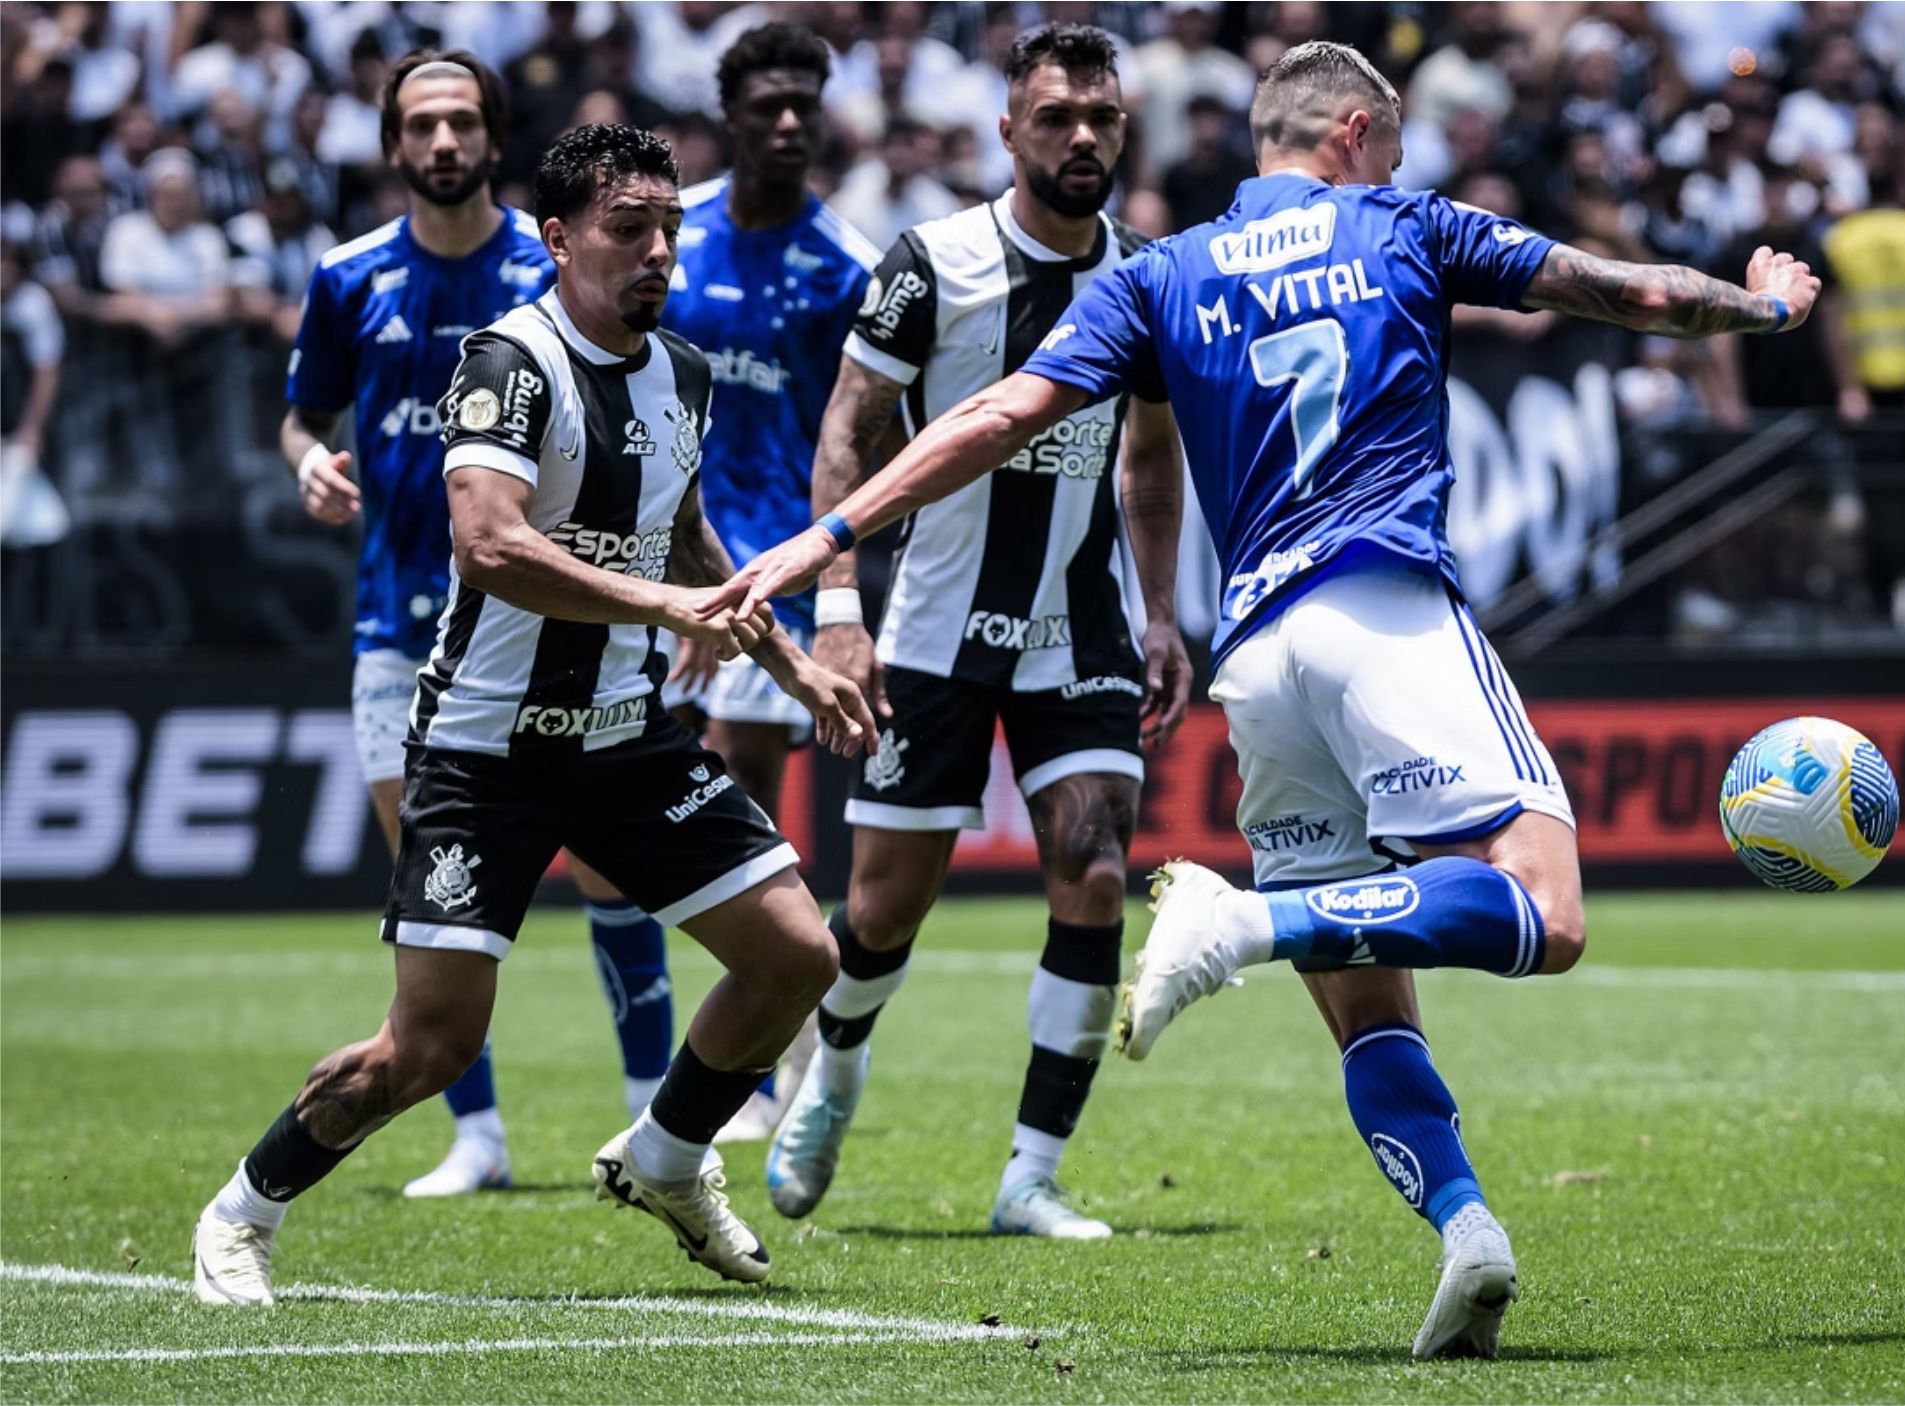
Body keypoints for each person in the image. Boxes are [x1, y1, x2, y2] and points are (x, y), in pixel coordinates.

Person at [707, 41, 1820, 1357]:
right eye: (1392, 148)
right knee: (1550, 910)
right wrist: (1757, 304)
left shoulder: (1164, 272)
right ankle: (1247, 921)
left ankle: (1469, 1232)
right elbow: (1621, 291)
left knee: (1367, 992)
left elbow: (998, 414)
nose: (1395, 169)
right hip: (1383, 602)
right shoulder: (1401, 221)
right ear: (1354, 131)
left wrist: (827, 536)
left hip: (1262, 659)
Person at [191, 121, 878, 1309]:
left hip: (624, 737)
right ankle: (243, 1210)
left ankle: (663, 1152)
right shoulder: (506, 360)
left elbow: (682, 535)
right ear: (558, 239)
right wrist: (670, 601)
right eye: (628, 228)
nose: (657, 249)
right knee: (427, 1047)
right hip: (482, 750)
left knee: (797, 955)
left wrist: (786, 659)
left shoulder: (685, 373)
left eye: (668, 226)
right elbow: (490, 543)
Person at [763, 22, 1191, 1242]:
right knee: (886, 907)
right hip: (933, 628)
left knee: (1096, 867)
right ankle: (834, 1069)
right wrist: (838, 612)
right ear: (1008, 129)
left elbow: (1149, 461)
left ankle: (1029, 1177)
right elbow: (848, 429)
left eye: (1100, 118)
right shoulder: (930, 260)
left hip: (1081, 625)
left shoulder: (1149, 276)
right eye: (1055, 116)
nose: (1079, 138)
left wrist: (1162, 612)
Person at [275, 51, 678, 1200]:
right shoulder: (349, 277)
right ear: (393, 142)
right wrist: (311, 465)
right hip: (394, 627)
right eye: (421, 124)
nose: (442, 141)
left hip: (539, 629)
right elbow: (300, 418)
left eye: (460, 121)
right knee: (433, 889)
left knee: (611, 867)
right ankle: (480, 1135)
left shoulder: (557, 264)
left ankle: (652, 1111)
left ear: (492, 137)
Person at [658, 24, 882, 1141]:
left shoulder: (848, 261)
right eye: (767, 104)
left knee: (732, 792)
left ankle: (758, 1047)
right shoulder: (669, 233)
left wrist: (829, 591)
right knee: (641, 815)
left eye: (805, 103)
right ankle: (739, 1039)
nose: (787, 121)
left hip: (771, 572)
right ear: (730, 113)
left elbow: (860, 439)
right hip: (648, 561)